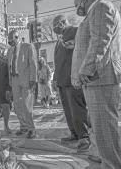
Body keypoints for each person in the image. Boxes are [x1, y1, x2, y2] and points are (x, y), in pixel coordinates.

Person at [72, 0, 121, 168]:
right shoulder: (95, 12)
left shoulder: (100, 8)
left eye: (77, 5)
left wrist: (86, 70)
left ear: (85, 0)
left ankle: (112, 164)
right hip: (96, 79)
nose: (77, 10)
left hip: (100, 77)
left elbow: (100, 41)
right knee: (100, 127)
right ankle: (106, 158)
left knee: (105, 127)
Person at [52, 15, 91, 152]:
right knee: (68, 109)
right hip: (62, 80)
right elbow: (58, 61)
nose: (54, 28)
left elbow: (80, 49)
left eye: (56, 25)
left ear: (63, 22)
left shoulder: (75, 31)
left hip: (72, 78)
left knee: (77, 109)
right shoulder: (59, 39)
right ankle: (74, 133)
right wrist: (55, 79)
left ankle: (84, 136)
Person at [7, 29, 37, 138]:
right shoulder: (10, 50)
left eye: (11, 39)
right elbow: (9, 66)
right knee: (17, 105)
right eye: (9, 39)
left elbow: (33, 63)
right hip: (14, 79)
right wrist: (10, 81)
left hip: (26, 79)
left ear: (17, 37)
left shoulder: (28, 47)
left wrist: (33, 79)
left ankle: (31, 128)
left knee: (26, 105)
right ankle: (23, 126)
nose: (10, 41)